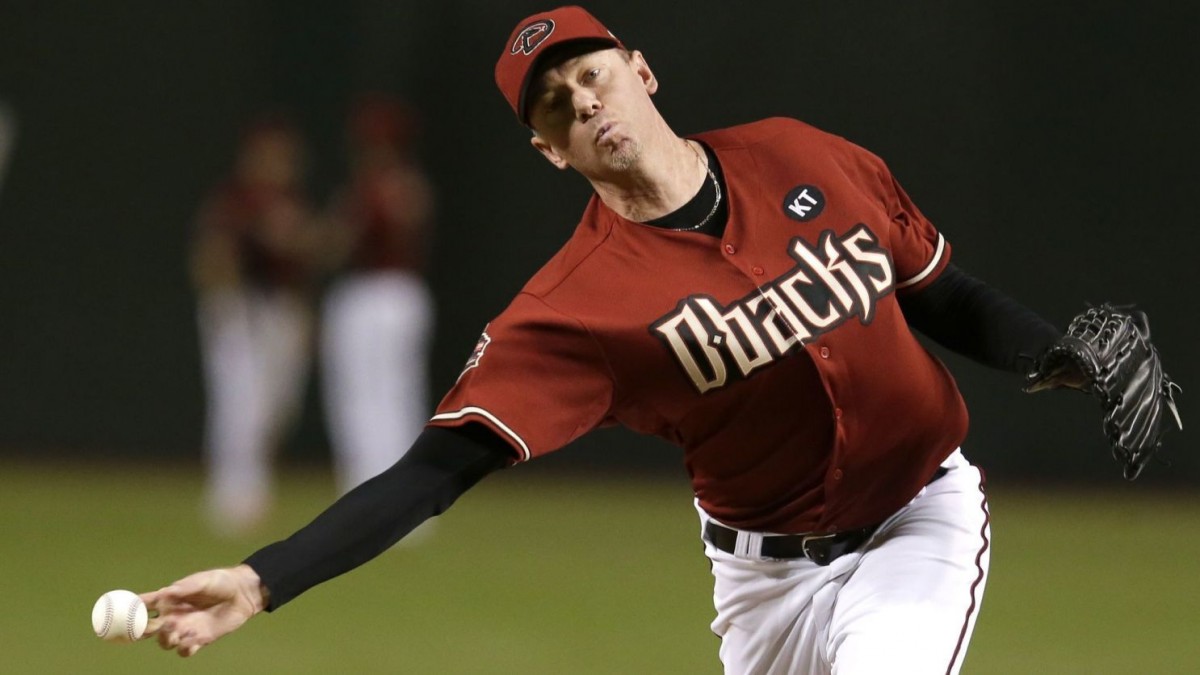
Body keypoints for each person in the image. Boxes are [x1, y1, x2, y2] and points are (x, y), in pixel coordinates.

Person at [142, 7, 1141, 672]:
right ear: (549, 149)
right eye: (554, 103)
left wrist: (1050, 354)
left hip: (917, 518)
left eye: (591, 73)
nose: (581, 98)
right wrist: (264, 578)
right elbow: (433, 472)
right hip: (762, 582)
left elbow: (938, 290)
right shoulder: (573, 308)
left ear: (641, 70)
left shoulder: (804, 154)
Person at [189, 115, 322, 535]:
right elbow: (212, 253)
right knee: (240, 404)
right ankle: (234, 495)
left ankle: (251, 488)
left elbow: (305, 262)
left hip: (282, 309)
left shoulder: (291, 202)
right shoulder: (236, 200)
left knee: (278, 407)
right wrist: (227, 306)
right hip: (243, 307)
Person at [319, 95, 436, 497]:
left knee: (362, 399)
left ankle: (367, 496)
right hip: (405, 294)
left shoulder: (370, 188)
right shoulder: (411, 184)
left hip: (370, 293)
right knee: (400, 396)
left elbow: (335, 244)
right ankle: (407, 498)